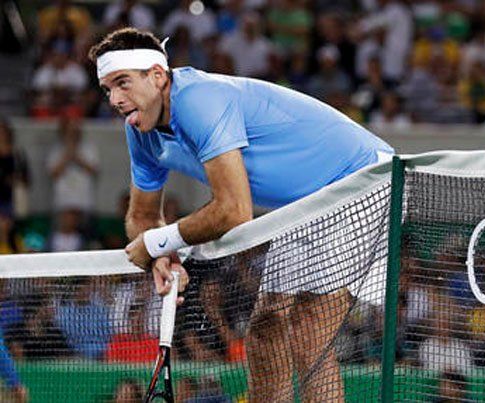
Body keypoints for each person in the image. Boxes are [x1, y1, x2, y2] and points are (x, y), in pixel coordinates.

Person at [87, 28, 393, 402]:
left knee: (310, 328)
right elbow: (142, 216)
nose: (115, 99)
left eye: (122, 83)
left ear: (157, 75)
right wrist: (162, 258)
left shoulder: (197, 100)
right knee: (267, 328)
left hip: (364, 180)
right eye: (107, 89)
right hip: (305, 205)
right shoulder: (140, 130)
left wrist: (157, 243)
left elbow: (234, 211)